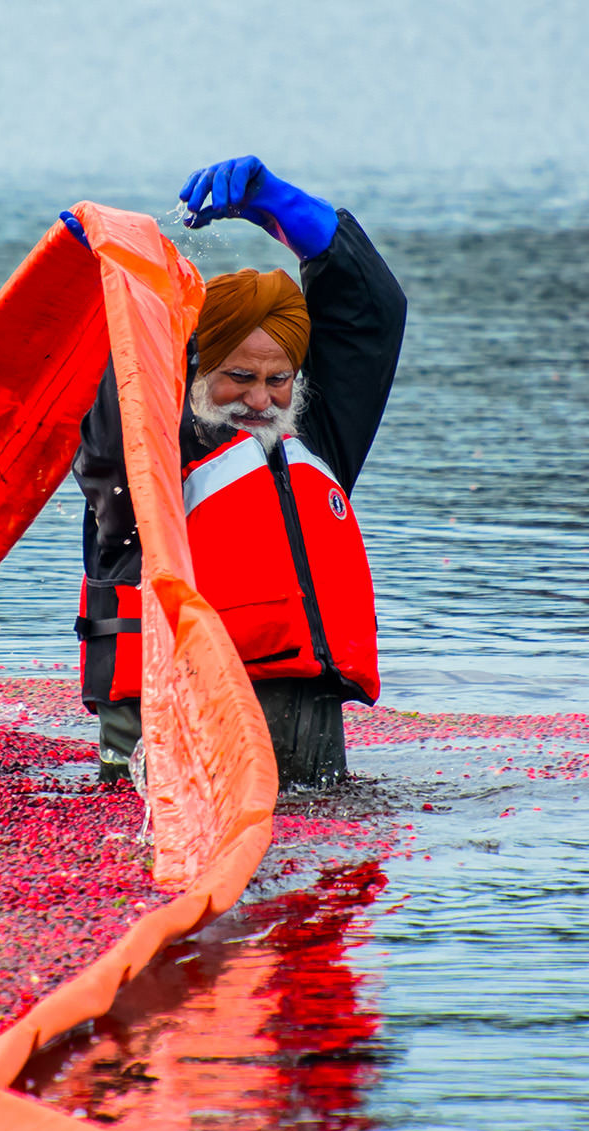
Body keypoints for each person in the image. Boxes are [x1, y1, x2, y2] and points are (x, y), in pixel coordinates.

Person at [74, 156, 407, 789]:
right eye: (238, 377)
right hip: (164, 734)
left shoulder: (317, 441)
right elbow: (129, 377)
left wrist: (280, 205)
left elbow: (371, 314)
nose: (260, 400)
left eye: (277, 379)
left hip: (306, 735)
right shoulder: (144, 441)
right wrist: (136, 274)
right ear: (193, 367)